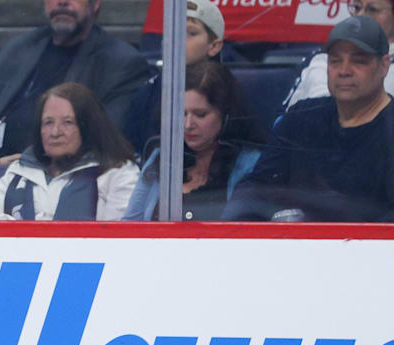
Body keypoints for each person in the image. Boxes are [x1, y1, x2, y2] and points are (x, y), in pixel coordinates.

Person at [224, 16, 394, 222]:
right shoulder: (300, 118)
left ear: (384, 65)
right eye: (335, 61)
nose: (344, 71)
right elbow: (254, 190)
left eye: (359, 61)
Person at [0, 0, 150, 165]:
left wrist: (24, 165)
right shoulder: (17, 49)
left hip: (55, 180)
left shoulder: (120, 62)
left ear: (95, 4)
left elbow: (104, 140)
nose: (62, 2)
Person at [124, 62, 267, 221]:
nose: (188, 125)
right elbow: (130, 225)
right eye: (182, 114)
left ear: (226, 115)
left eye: (200, 115)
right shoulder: (161, 158)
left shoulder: (251, 164)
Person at [0, 82, 138, 221]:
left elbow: (119, 241)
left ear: (88, 126)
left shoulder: (118, 173)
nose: (55, 132)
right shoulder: (18, 171)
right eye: (48, 122)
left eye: (67, 122)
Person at [124, 0, 225, 157]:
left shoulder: (227, 92)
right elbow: (131, 150)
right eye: (173, 31)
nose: (177, 40)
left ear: (214, 46)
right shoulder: (148, 91)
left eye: (191, 33)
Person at [285, 0, 394, 108]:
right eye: (356, 7)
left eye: (373, 9)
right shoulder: (320, 60)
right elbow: (283, 120)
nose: (360, 15)